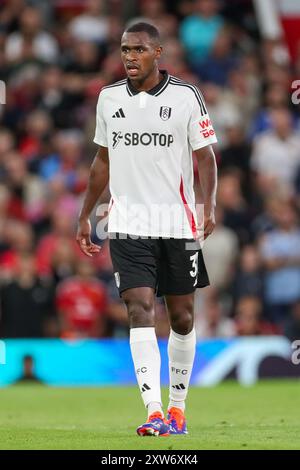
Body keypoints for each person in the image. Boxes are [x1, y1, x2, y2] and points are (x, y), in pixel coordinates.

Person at [77, 22, 218, 437]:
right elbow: (102, 160)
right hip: (127, 224)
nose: (129, 57)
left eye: (138, 49)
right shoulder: (108, 99)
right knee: (139, 308)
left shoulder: (185, 97)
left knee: (183, 317)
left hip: (177, 222)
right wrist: (86, 213)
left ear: (158, 52)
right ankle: (153, 410)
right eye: (124, 50)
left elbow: (206, 158)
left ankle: (177, 409)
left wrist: (207, 204)